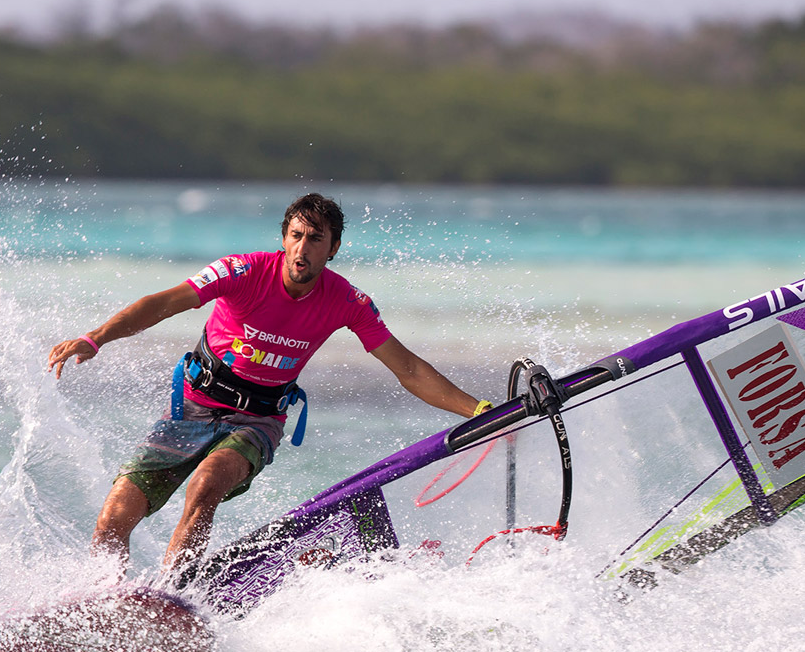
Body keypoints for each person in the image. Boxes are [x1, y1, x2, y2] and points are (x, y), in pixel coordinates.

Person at [48, 193, 489, 581]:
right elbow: (162, 304)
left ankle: (172, 598)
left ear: (333, 248)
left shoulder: (347, 301)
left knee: (206, 485)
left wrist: (476, 411)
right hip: (192, 409)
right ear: (284, 239)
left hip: (258, 420)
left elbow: (408, 367)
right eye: (296, 235)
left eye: (316, 239)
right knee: (114, 517)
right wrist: (96, 338)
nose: (303, 248)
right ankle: (101, 599)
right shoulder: (242, 271)